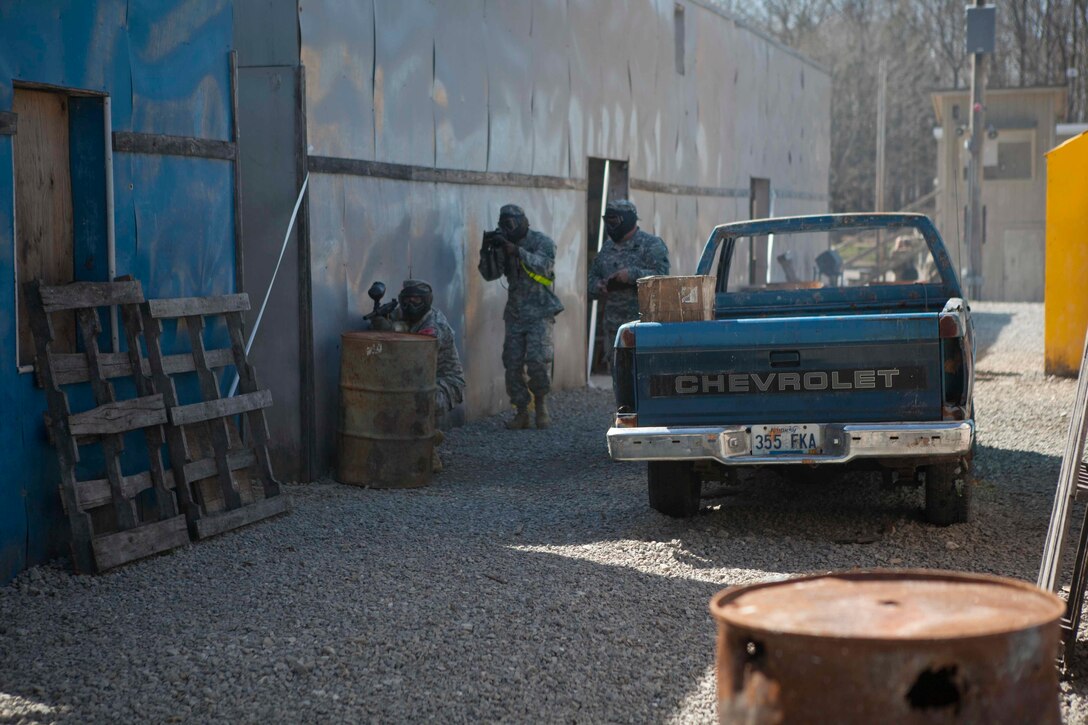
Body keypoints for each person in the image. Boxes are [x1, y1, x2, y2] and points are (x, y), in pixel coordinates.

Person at [478, 204, 564, 430]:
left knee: (537, 361)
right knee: (512, 363)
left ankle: (541, 405)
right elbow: (490, 274)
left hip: (540, 311)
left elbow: (544, 266)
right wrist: (487, 249)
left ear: (523, 221)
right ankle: (521, 411)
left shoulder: (541, 242)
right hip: (516, 313)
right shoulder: (504, 243)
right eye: (503, 224)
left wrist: (516, 251)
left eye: (511, 224)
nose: (508, 228)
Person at [371, 279, 465, 472]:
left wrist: (389, 330)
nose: (410, 305)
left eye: (416, 300)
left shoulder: (435, 324)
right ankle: (423, 436)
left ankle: (429, 450)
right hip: (416, 378)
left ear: (427, 301)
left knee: (416, 399)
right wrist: (380, 321)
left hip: (446, 383)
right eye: (407, 300)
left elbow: (416, 352)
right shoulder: (401, 314)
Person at [588, 199, 670, 355]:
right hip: (615, 329)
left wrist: (631, 275)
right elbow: (591, 281)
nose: (611, 226)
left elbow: (664, 279)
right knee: (618, 373)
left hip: (645, 326)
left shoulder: (651, 245)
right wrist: (599, 286)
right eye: (608, 221)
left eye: (615, 221)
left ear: (627, 219)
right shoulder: (606, 249)